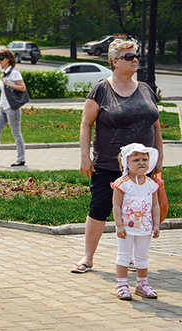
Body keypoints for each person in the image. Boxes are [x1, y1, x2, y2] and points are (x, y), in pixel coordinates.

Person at [70, 38, 163, 273]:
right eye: (129, 57)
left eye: (136, 56)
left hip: (142, 167)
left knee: (138, 210)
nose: (135, 60)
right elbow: (85, 124)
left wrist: (159, 158)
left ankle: (132, 258)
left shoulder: (146, 89)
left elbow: (156, 127)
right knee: (99, 207)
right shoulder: (102, 89)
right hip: (109, 162)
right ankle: (87, 257)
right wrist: (84, 156)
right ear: (114, 62)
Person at [112, 143, 160, 300]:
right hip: (126, 228)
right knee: (124, 256)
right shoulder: (122, 183)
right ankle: (122, 285)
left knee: (142, 256)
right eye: (136, 159)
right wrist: (119, 225)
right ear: (126, 162)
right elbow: (117, 206)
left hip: (145, 228)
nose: (141, 163)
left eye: (145, 159)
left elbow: (155, 205)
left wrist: (156, 224)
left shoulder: (151, 184)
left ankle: (142, 284)